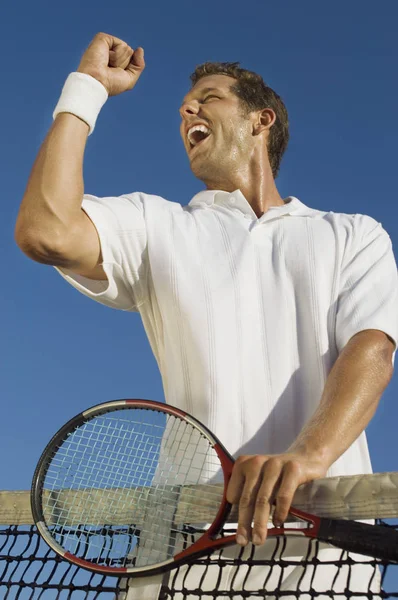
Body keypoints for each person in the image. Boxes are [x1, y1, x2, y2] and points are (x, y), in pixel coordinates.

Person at [15, 32, 398, 599]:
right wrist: (87, 87)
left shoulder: (352, 234)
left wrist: (307, 455)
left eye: (210, 97)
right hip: (187, 551)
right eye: (185, 106)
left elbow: (372, 346)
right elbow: (44, 231)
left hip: (327, 558)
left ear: (259, 120)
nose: (186, 109)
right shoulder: (155, 225)